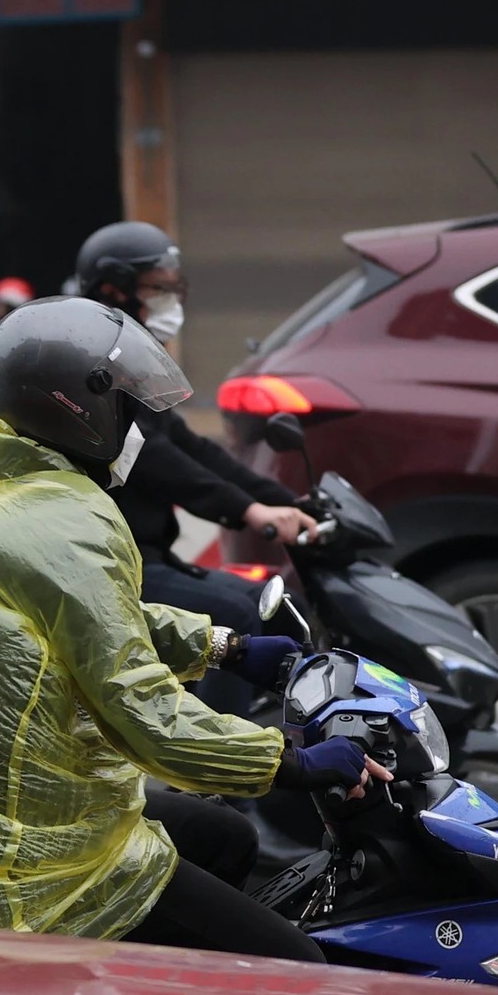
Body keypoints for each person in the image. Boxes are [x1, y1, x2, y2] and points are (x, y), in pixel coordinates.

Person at [0, 296, 387, 963]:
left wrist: (225, 646)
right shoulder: (69, 518)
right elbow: (147, 715)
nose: (136, 423)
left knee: (225, 835)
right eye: (127, 405)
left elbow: (90, 617)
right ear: (80, 408)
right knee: (299, 965)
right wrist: (291, 760)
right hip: (10, 857)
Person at [74, 220, 320, 716]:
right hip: (107, 566)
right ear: (112, 289)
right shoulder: (92, 370)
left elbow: (191, 447)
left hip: (149, 555)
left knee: (273, 601)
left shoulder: (133, 362)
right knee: (238, 615)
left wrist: (282, 499)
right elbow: (156, 461)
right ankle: (218, 777)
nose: (171, 301)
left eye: (173, 288)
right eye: (157, 289)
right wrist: (249, 511)